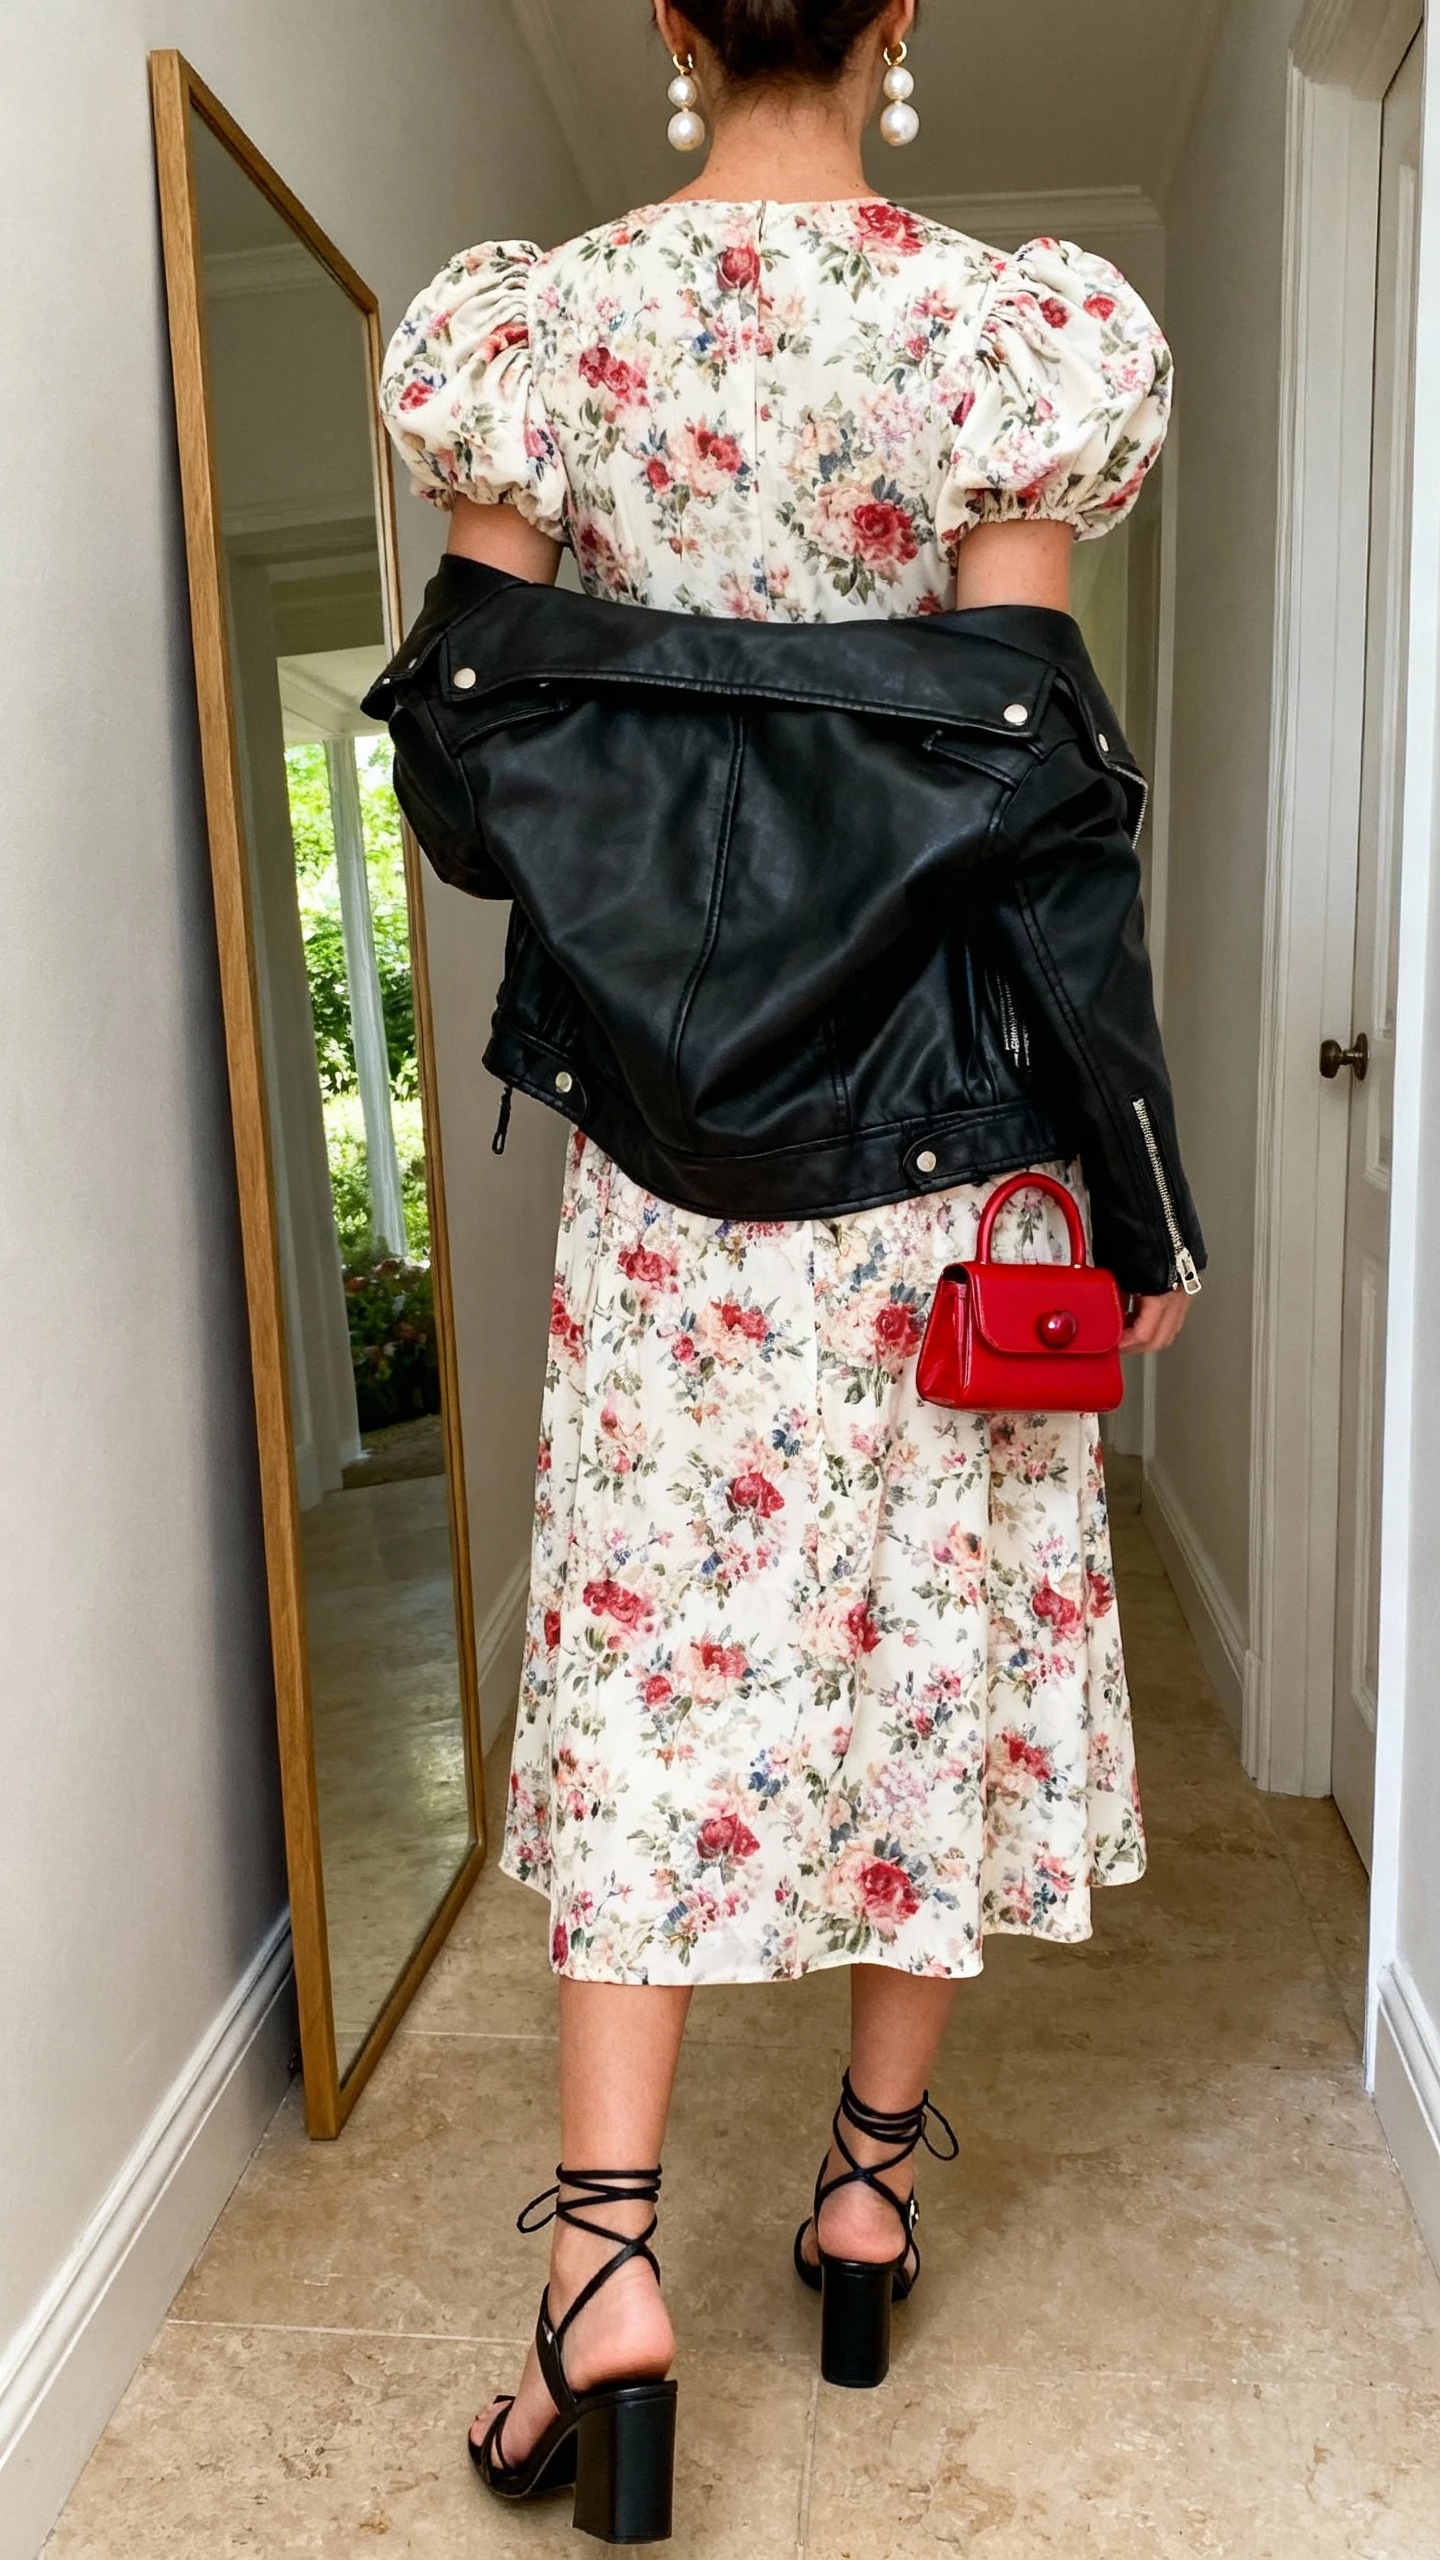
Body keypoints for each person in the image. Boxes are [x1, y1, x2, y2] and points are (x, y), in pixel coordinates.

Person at [380, 0, 1193, 2536]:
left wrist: (679, 754)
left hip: (670, 1179)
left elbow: (468, 779)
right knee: (925, 1643)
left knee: (643, 1670)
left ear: (659, 19)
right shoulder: (1000, 338)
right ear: (900, 17)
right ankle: (862, 2189)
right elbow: (1030, 797)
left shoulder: (537, 337)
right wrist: (1133, 1172)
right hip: (944, 1152)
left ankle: (605, 2274)